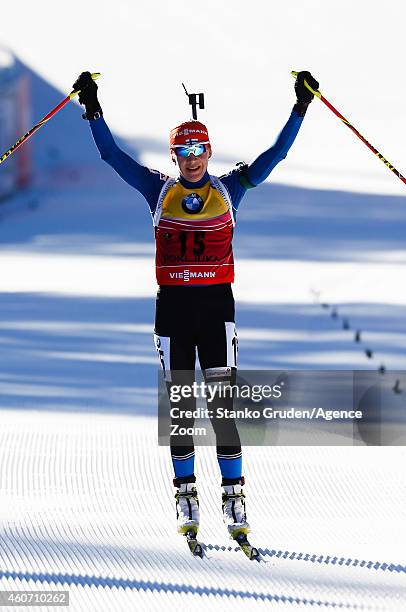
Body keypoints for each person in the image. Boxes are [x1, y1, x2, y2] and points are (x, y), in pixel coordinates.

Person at [73, 70, 319, 543]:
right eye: (183, 151)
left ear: (208, 151)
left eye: (198, 150)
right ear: (174, 155)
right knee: (182, 407)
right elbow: (110, 155)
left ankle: (235, 498)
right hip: (173, 311)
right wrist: (93, 108)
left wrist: (300, 109)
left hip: (215, 310)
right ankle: (186, 495)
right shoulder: (158, 190)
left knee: (222, 407)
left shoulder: (231, 189)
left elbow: (276, 156)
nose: (190, 159)